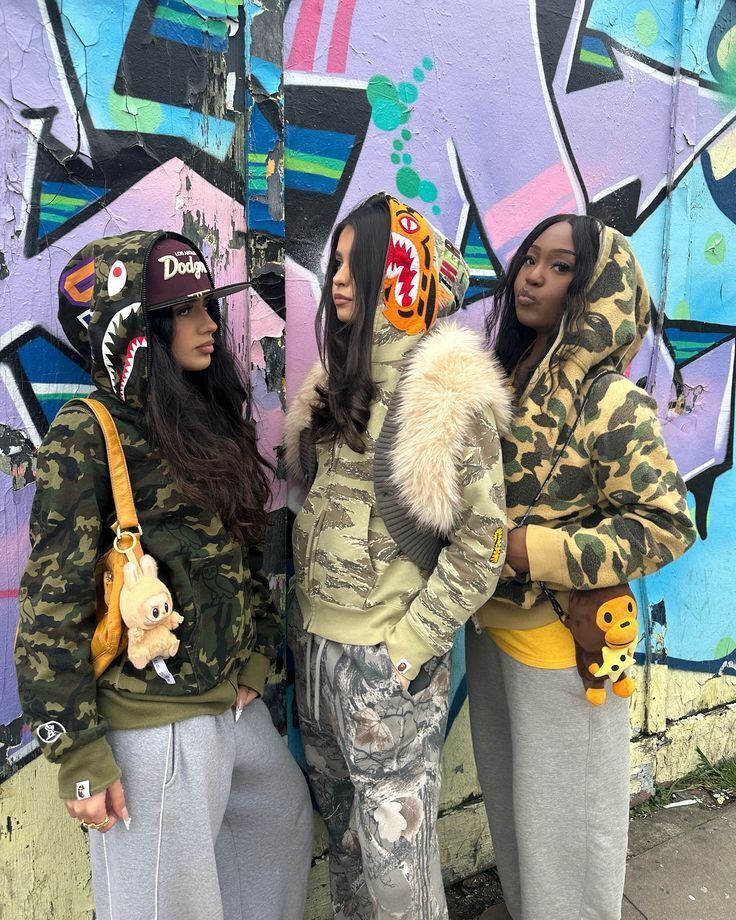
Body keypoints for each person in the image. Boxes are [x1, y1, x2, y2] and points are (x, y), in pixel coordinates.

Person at [15, 231, 313, 920]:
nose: (208, 323)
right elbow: (51, 605)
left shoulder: (206, 416)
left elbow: (243, 546)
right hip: (152, 721)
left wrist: (255, 656)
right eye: (183, 310)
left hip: (228, 703)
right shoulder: (87, 435)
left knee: (279, 827)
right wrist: (79, 755)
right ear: (134, 329)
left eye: (206, 305)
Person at [284, 192, 513, 919]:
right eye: (336, 262)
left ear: (400, 273)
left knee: (399, 874)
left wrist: (411, 644)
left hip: (386, 665)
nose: (337, 278)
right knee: (348, 852)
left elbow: (484, 541)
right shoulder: (334, 386)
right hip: (316, 657)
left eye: (357, 263)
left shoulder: (442, 395)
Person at [466, 215, 697, 920]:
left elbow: (668, 524)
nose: (533, 276)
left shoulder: (610, 400)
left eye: (561, 266)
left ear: (597, 289)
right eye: (530, 259)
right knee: (517, 824)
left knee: (570, 842)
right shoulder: (506, 379)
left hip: (564, 650)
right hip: (491, 633)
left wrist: (533, 551)